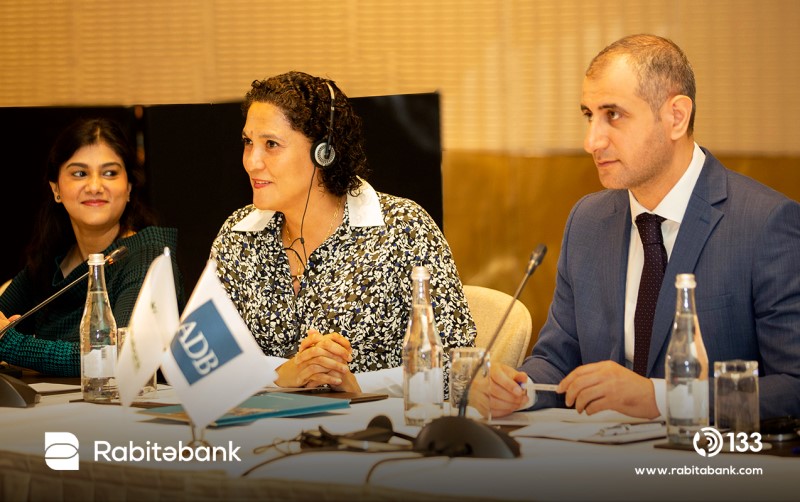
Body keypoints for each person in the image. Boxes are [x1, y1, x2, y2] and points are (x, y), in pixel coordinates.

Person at [487, 34, 800, 420]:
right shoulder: (587, 221)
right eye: (588, 115)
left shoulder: (765, 224)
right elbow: (557, 359)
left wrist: (663, 399)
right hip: (594, 452)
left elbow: (793, 385)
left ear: (676, 117)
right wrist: (520, 389)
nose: (591, 141)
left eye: (613, 115)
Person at [211, 71, 476, 395]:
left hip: (377, 425)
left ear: (324, 152)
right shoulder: (238, 236)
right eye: (248, 142)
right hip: (260, 426)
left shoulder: (404, 229)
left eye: (271, 145)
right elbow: (206, 359)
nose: (252, 161)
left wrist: (357, 385)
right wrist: (280, 374)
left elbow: (458, 368)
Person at [0, 118, 185, 377]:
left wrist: (11, 346)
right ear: (56, 188)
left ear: (129, 187)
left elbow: (119, 356)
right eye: (79, 173)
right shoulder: (50, 260)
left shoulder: (148, 255)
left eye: (110, 173)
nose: (95, 187)